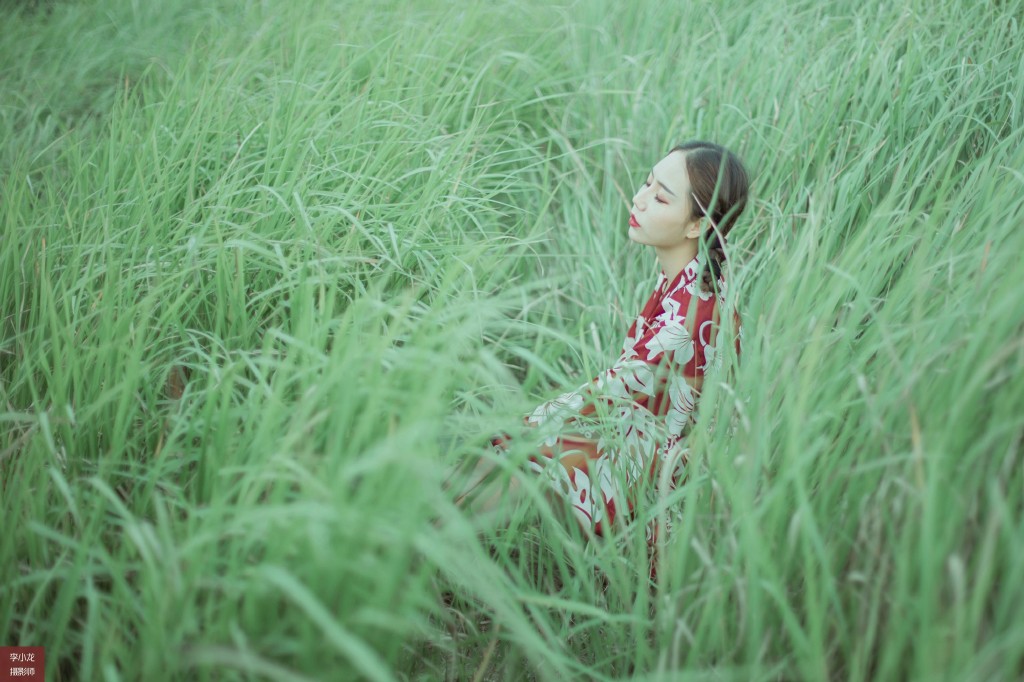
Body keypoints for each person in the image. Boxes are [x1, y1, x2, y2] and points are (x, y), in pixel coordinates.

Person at [457, 141, 749, 544]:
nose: (639, 199)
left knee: (514, 462)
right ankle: (422, 536)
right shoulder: (693, 277)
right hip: (640, 436)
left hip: (662, 474)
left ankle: (417, 551)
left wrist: (526, 427)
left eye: (660, 197)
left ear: (695, 226)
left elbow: (611, 392)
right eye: (646, 183)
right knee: (500, 457)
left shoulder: (690, 315)